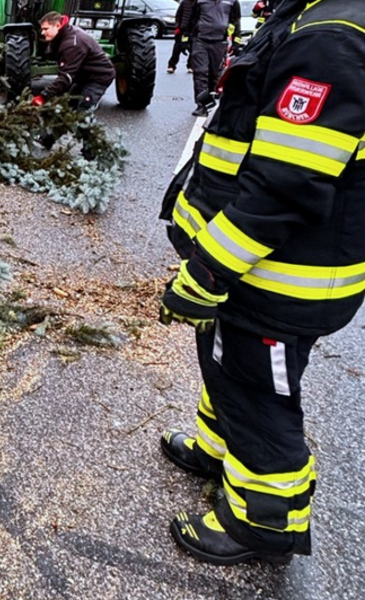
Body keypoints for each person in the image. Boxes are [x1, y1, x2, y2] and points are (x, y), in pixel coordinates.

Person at [158, 0, 365, 565]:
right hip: (251, 268)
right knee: (226, 364)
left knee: (257, 394)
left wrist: (208, 270)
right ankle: (218, 449)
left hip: (277, 275)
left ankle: (263, 523)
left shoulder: (331, 38)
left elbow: (284, 187)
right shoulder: (302, 17)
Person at [32, 12, 116, 158]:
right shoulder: (61, 36)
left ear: (57, 25)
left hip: (98, 77)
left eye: (46, 29)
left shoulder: (72, 43)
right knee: (66, 106)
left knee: (83, 111)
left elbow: (65, 78)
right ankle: (46, 140)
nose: (42, 32)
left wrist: (43, 96)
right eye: (42, 29)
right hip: (82, 76)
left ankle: (91, 152)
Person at [179, 0, 241, 116]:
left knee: (214, 74)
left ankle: (212, 103)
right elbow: (191, 20)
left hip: (219, 42)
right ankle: (202, 106)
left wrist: (236, 41)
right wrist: (185, 39)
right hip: (200, 40)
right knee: (200, 72)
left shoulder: (232, 2)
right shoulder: (199, 1)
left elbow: (235, 21)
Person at [167, 0, 195, 74]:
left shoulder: (199, 3)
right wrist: (177, 27)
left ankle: (191, 66)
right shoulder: (184, 2)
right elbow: (178, 15)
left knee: (193, 49)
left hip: (193, 30)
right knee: (177, 48)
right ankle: (171, 66)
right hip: (182, 29)